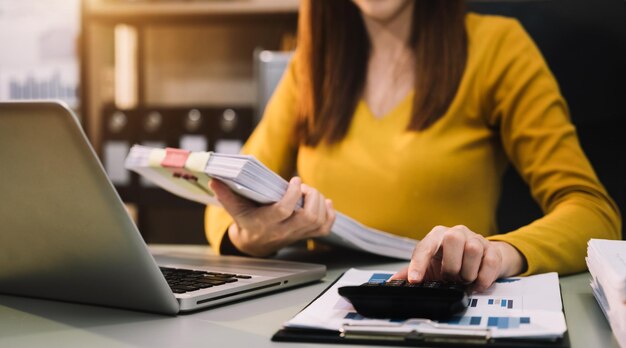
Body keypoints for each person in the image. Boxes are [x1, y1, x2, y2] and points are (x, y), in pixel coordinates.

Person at [206, 0, 621, 291]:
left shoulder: (497, 47)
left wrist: (499, 253)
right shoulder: (311, 68)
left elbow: (593, 212)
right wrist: (249, 236)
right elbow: (219, 201)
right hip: (329, 314)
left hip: (447, 310)